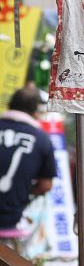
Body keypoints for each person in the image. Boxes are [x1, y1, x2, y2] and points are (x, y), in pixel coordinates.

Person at [0, 87, 56, 237]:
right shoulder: (42, 139)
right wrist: (24, 190)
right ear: (35, 111)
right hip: (12, 223)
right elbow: (46, 185)